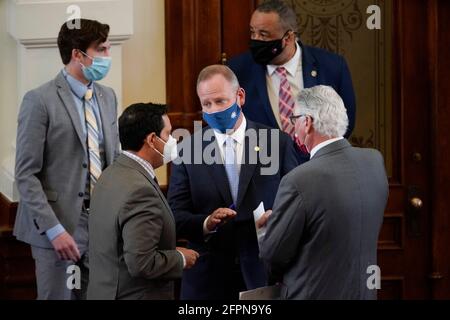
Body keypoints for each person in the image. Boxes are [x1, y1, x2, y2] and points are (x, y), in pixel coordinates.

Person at [167, 65, 298, 300]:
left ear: (240, 96)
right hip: (208, 281)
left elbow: (298, 205)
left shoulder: (277, 143)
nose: (213, 110)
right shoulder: (186, 150)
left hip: (263, 273)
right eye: (206, 104)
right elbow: (175, 217)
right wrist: (207, 223)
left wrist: (275, 218)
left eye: (220, 101)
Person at [14, 19, 120, 300]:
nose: (108, 56)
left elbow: (113, 160)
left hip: (100, 225)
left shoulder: (107, 97)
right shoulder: (39, 100)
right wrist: (54, 230)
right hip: (56, 229)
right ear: (77, 54)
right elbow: (25, 175)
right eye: (102, 49)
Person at [259, 85, 388, 300]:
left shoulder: (298, 179)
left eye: (294, 120)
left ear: (307, 122)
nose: (294, 128)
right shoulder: (374, 161)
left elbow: (274, 255)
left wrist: (270, 229)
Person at [87, 103, 199, 300]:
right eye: (168, 134)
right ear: (152, 140)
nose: (173, 140)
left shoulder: (110, 174)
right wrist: (180, 258)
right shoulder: (140, 191)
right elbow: (142, 262)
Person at [228, 0, 356, 163]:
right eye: (253, 32)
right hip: (264, 172)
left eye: (263, 34)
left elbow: (346, 122)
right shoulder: (238, 70)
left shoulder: (331, 66)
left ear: (288, 37)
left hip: (318, 170)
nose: (255, 39)